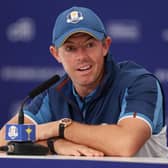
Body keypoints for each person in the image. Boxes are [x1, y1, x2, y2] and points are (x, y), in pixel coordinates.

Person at [0, 6, 168, 157]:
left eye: (89, 45)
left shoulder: (138, 83)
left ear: (105, 46)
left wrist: (61, 128)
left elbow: (125, 144)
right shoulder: (54, 93)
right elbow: (6, 137)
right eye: (70, 48)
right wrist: (54, 144)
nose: (81, 57)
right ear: (56, 54)